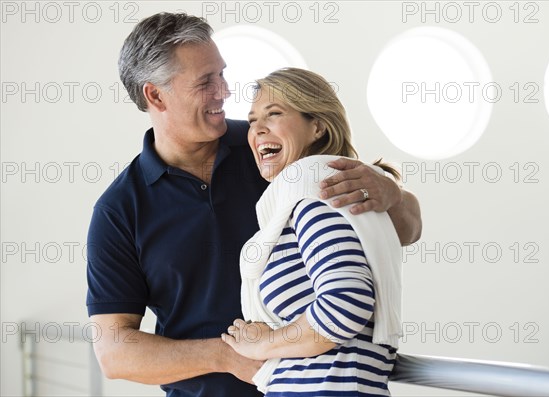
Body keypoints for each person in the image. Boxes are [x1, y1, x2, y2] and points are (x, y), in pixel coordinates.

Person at [86, 12, 422, 397]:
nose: (224, 91)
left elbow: (404, 229)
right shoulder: (119, 211)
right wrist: (226, 355)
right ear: (156, 95)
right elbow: (114, 353)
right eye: (205, 81)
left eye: (222, 74)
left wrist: (392, 195)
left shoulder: (272, 148)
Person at [221, 68, 405, 396]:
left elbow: (345, 303)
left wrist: (266, 344)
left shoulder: (314, 194)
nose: (257, 129)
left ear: (317, 126)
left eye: (274, 114)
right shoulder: (311, 196)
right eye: (252, 120)